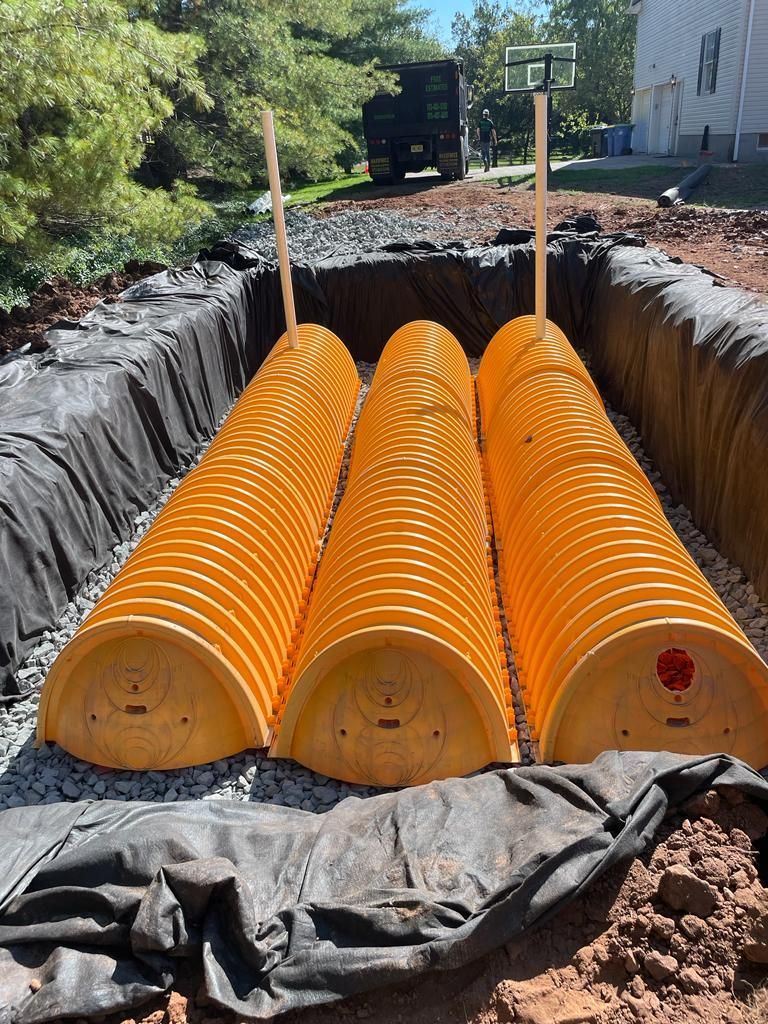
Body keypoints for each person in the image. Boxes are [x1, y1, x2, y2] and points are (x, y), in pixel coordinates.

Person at [477, 109, 497, 173]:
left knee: (483, 152)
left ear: (483, 115)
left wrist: (479, 137)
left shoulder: (480, 122)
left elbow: (478, 130)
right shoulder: (490, 122)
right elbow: (493, 131)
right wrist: (495, 140)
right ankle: (488, 166)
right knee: (487, 152)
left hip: (482, 139)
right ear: (488, 115)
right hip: (488, 139)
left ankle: (485, 162)